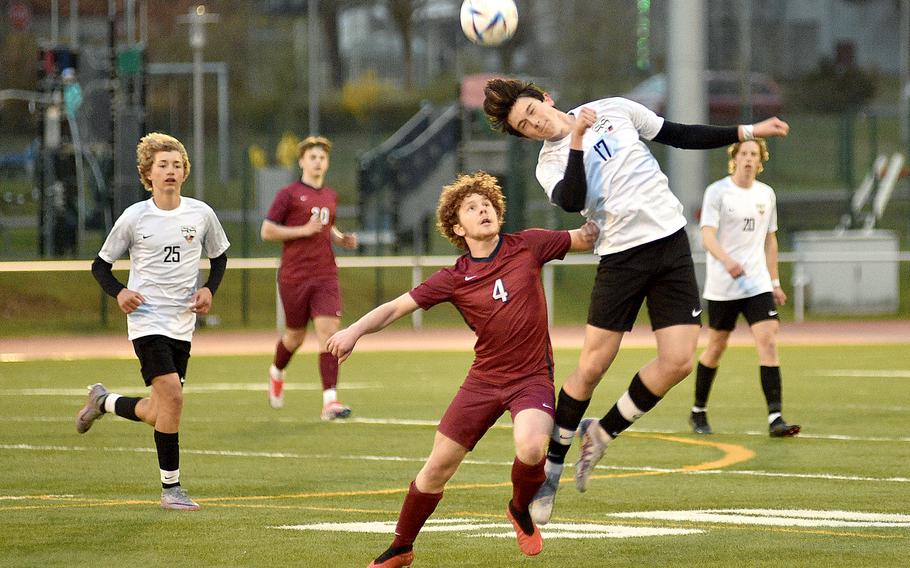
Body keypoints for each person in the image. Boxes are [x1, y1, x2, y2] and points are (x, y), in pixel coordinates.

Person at [482, 78, 790, 525]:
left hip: (670, 244)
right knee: (591, 367)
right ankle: (551, 470)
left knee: (680, 360)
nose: (533, 122)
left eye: (531, 110)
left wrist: (747, 131)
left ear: (547, 98)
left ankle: (603, 432)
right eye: (523, 126)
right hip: (621, 257)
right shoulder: (549, 163)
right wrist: (577, 139)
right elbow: (570, 200)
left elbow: (678, 134)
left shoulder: (613, 106)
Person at [326, 172, 597, 568]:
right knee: (436, 468)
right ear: (457, 227)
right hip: (483, 381)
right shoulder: (454, 277)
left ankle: (520, 509)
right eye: (471, 207)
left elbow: (586, 237)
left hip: (531, 379)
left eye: (486, 203)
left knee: (531, 447)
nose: (482, 209)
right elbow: (396, 308)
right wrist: (354, 330)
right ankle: (401, 548)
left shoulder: (529, 245)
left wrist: (620, 208)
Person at [77, 132, 230, 511]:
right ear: (148, 172)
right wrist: (120, 293)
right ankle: (171, 490)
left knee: (160, 410)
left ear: (184, 172)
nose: (171, 171)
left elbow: (219, 256)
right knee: (174, 398)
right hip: (146, 321)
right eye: (163, 165)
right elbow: (100, 266)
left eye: (177, 165)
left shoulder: (200, 213)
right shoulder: (134, 217)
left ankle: (104, 401)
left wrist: (209, 288)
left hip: (183, 323)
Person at [689, 139, 800, 437]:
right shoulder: (718, 192)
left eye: (754, 154)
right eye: (744, 153)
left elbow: (770, 241)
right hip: (724, 286)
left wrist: (774, 282)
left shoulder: (767, 194)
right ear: (734, 158)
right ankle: (698, 410)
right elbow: (707, 236)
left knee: (768, 340)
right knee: (716, 347)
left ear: (760, 160)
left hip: (757, 284)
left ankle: (775, 417)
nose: (749, 159)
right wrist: (727, 262)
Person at [260, 135, 358, 419]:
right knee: (295, 337)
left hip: (325, 274)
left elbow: (327, 227)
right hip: (295, 276)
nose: (317, 161)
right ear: (302, 161)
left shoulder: (330, 195)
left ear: (326, 163)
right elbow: (267, 231)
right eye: (312, 157)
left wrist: (341, 239)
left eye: (322, 157)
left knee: (329, 334)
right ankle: (276, 371)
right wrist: (302, 230)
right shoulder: (288, 194)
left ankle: (330, 402)